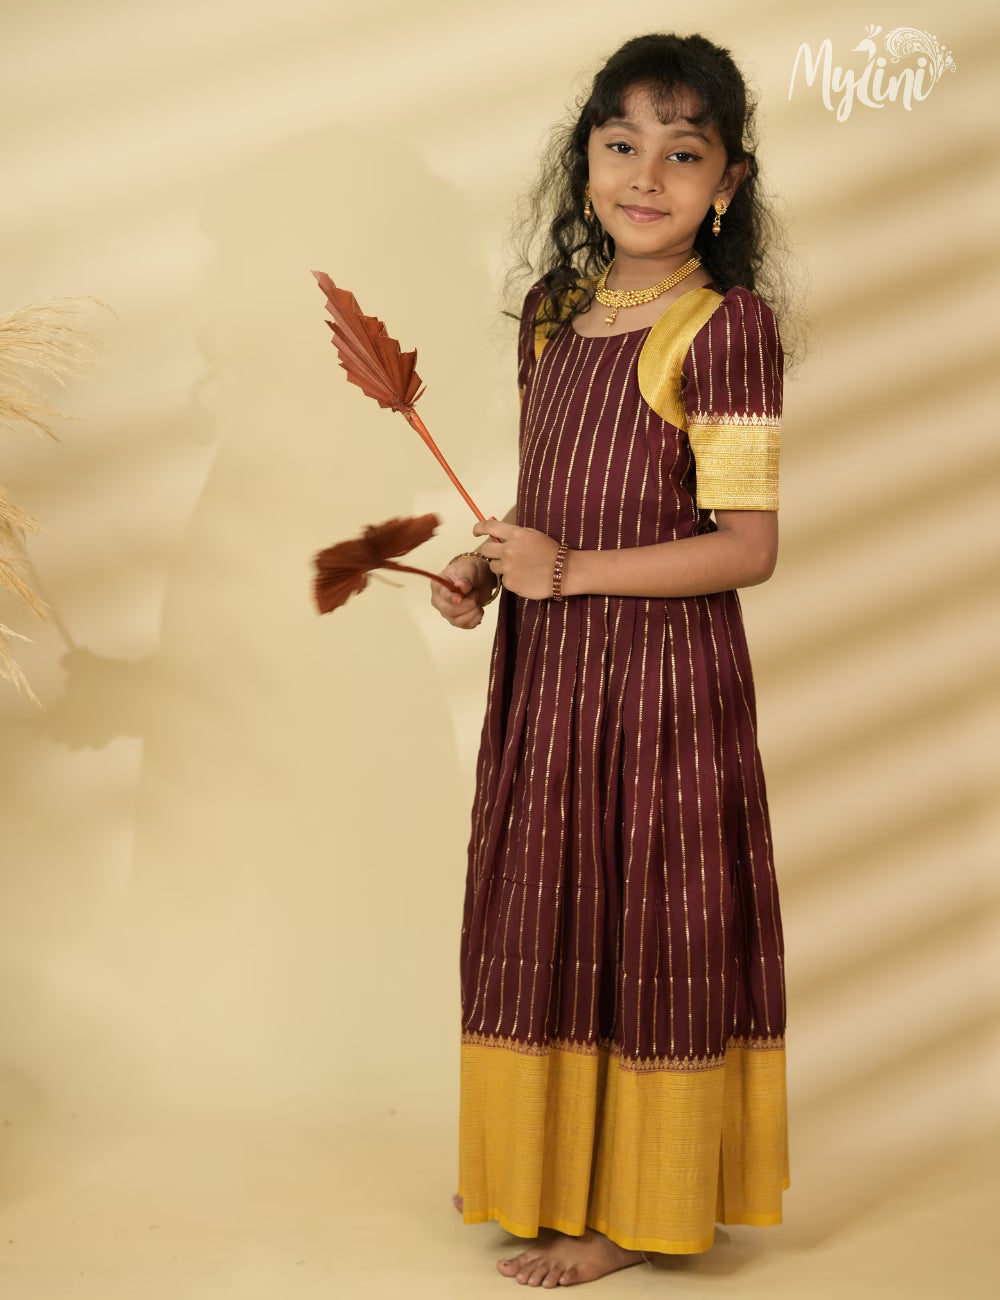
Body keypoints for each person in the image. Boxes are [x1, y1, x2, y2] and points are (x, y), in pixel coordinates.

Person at [431, 31, 791, 1289]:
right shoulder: (551, 315)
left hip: (661, 687)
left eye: (682, 153)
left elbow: (746, 548)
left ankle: (634, 1210)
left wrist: (568, 571)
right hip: (550, 682)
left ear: (725, 184)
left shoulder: (724, 328)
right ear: (583, 160)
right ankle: (544, 1178)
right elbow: (551, 504)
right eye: (621, 143)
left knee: (650, 922)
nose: (645, 175)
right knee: (549, 913)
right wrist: (487, 566)